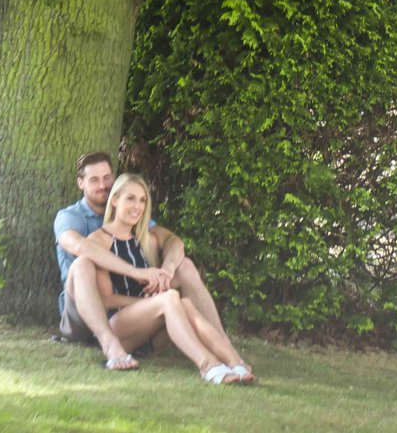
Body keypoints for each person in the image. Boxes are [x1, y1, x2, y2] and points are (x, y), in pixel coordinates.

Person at [53, 152, 252, 380]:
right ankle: (206, 365)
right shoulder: (74, 220)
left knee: (183, 279)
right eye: (94, 180)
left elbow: (173, 241)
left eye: (107, 178)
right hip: (84, 310)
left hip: (135, 314)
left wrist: (166, 271)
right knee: (84, 263)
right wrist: (139, 275)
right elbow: (82, 249)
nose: (102, 185)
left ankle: (232, 359)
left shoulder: (140, 230)